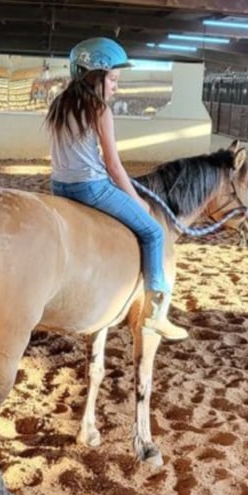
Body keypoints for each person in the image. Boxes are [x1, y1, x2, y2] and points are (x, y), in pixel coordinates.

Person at [46, 37, 187, 341]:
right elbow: (113, 166)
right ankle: (155, 312)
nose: (115, 87)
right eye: (112, 79)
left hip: (60, 187)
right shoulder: (99, 110)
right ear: (94, 76)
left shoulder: (58, 103)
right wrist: (137, 200)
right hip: (90, 188)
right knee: (153, 232)